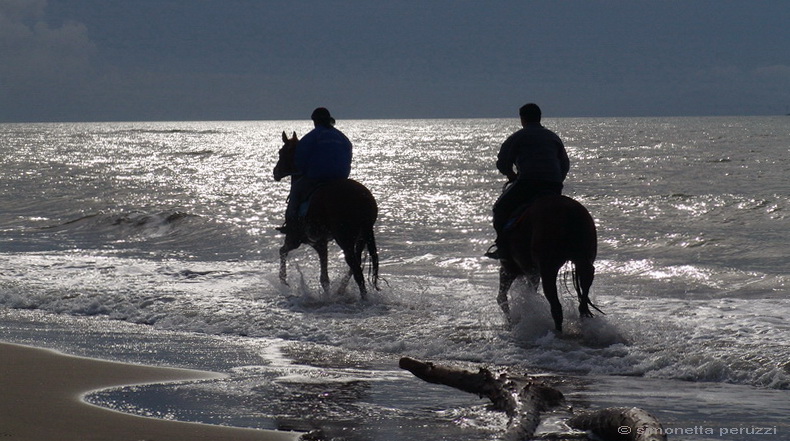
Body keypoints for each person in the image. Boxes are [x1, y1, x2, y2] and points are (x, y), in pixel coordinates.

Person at [485, 103, 570, 259]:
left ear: (522, 118)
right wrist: (557, 180)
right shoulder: (553, 137)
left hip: (528, 184)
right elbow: (565, 164)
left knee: (500, 209)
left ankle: (502, 248)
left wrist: (511, 175)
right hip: (553, 186)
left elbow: (503, 163)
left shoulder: (518, 137)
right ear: (539, 117)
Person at [279, 107, 353, 246]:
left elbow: (300, 159)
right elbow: (348, 154)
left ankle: (291, 225)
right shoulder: (342, 137)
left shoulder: (312, 136)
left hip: (318, 177)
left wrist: (305, 170)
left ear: (315, 121)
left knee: (295, 191)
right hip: (341, 177)